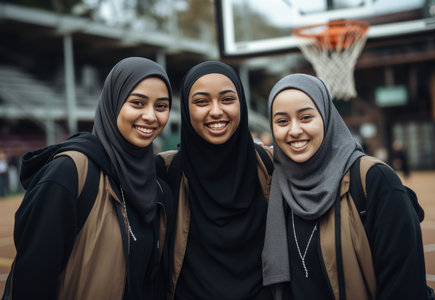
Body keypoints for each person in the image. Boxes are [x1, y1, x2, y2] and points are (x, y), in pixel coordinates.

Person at [2, 57, 174, 300]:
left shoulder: (157, 187)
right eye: (137, 102)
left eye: (161, 106)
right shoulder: (70, 172)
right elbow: (31, 283)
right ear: (113, 102)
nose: (150, 116)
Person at [262, 74, 428, 299]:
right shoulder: (275, 185)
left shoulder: (375, 180)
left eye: (306, 117)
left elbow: (405, 287)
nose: (294, 130)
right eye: (282, 121)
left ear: (327, 118)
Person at [157, 61, 273, 299]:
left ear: (242, 103)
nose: (216, 110)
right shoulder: (165, 171)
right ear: (187, 110)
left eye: (228, 99)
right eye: (201, 101)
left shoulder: (270, 165)